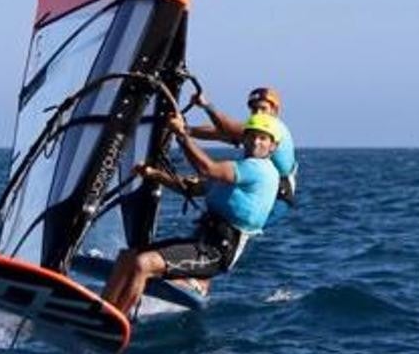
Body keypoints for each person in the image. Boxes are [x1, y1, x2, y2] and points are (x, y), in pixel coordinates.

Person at [100, 112, 283, 315]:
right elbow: (192, 188)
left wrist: (182, 135)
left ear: (273, 146)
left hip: (217, 251)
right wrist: (153, 174)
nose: (256, 142)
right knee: (127, 257)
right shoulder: (239, 168)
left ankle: (116, 319)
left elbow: (207, 168)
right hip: (201, 242)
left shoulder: (259, 169)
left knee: (143, 263)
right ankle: (102, 309)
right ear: (244, 139)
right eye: (251, 136)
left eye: (263, 138)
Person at [190, 86, 298, 204]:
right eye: (254, 109)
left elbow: (227, 128)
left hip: (278, 197)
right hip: (262, 189)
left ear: (275, 111)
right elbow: (221, 134)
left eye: (263, 109)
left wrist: (207, 106)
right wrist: (187, 130)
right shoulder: (257, 132)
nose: (258, 113)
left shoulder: (274, 129)